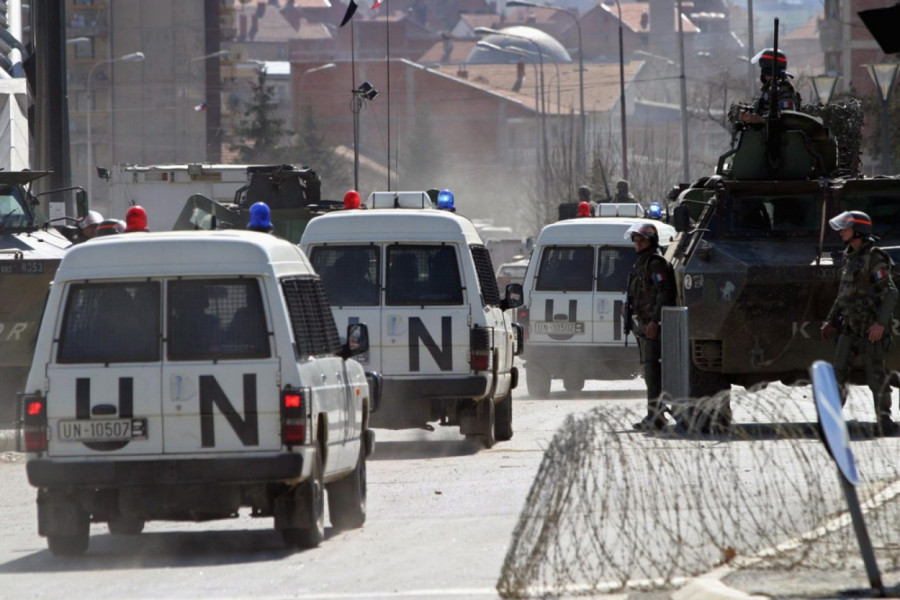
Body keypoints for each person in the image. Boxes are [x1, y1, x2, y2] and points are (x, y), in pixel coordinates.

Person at [820, 211, 899, 435]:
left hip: (870, 327)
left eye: (845, 228)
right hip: (849, 326)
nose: (841, 232)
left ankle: (884, 420)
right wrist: (830, 321)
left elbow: (890, 293)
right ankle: (832, 420)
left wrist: (880, 324)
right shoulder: (849, 257)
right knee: (838, 374)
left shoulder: (875, 257)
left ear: (858, 231)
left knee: (876, 374)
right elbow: (843, 295)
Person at [625, 222, 676, 431]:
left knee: (653, 372)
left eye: (641, 240)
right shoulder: (642, 263)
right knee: (649, 371)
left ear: (651, 241)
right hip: (644, 324)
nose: (638, 244)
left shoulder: (655, 263)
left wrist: (656, 321)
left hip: (653, 326)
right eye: (636, 240)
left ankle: (656, 417)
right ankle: (654, 415)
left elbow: (665, 292)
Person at [740, 48, 802, 126]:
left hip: (780, 137)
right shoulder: (768, 90)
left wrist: (760, 119)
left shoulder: (783, 89)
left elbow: (788, 119)